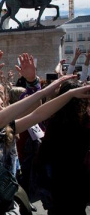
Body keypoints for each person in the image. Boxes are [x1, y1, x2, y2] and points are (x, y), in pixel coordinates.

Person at [0, 67, 90, 214]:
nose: (1, 109)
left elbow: (38, 114)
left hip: (5, 206)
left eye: (3, 105)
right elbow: (0, 119)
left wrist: (70, 94)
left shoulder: (7, 129)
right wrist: (42, 92)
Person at [37, 79, 90, 215]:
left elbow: (44, 151)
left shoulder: (55, 120)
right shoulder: (85, 121)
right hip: (80, 175)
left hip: (58, 175)